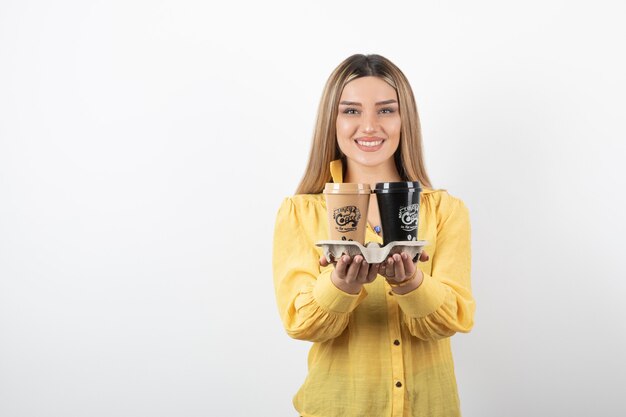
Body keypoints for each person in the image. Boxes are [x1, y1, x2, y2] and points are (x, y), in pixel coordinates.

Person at [272, 54, 475, 417]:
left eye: (385, 110)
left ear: (405, 120)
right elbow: (300, 324)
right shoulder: (301, 213)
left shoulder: (445, 211)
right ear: (331, 122)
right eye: (351, 111)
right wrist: (339, 286)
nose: (369, 126)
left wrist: (412, 283)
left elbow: (454, 319)